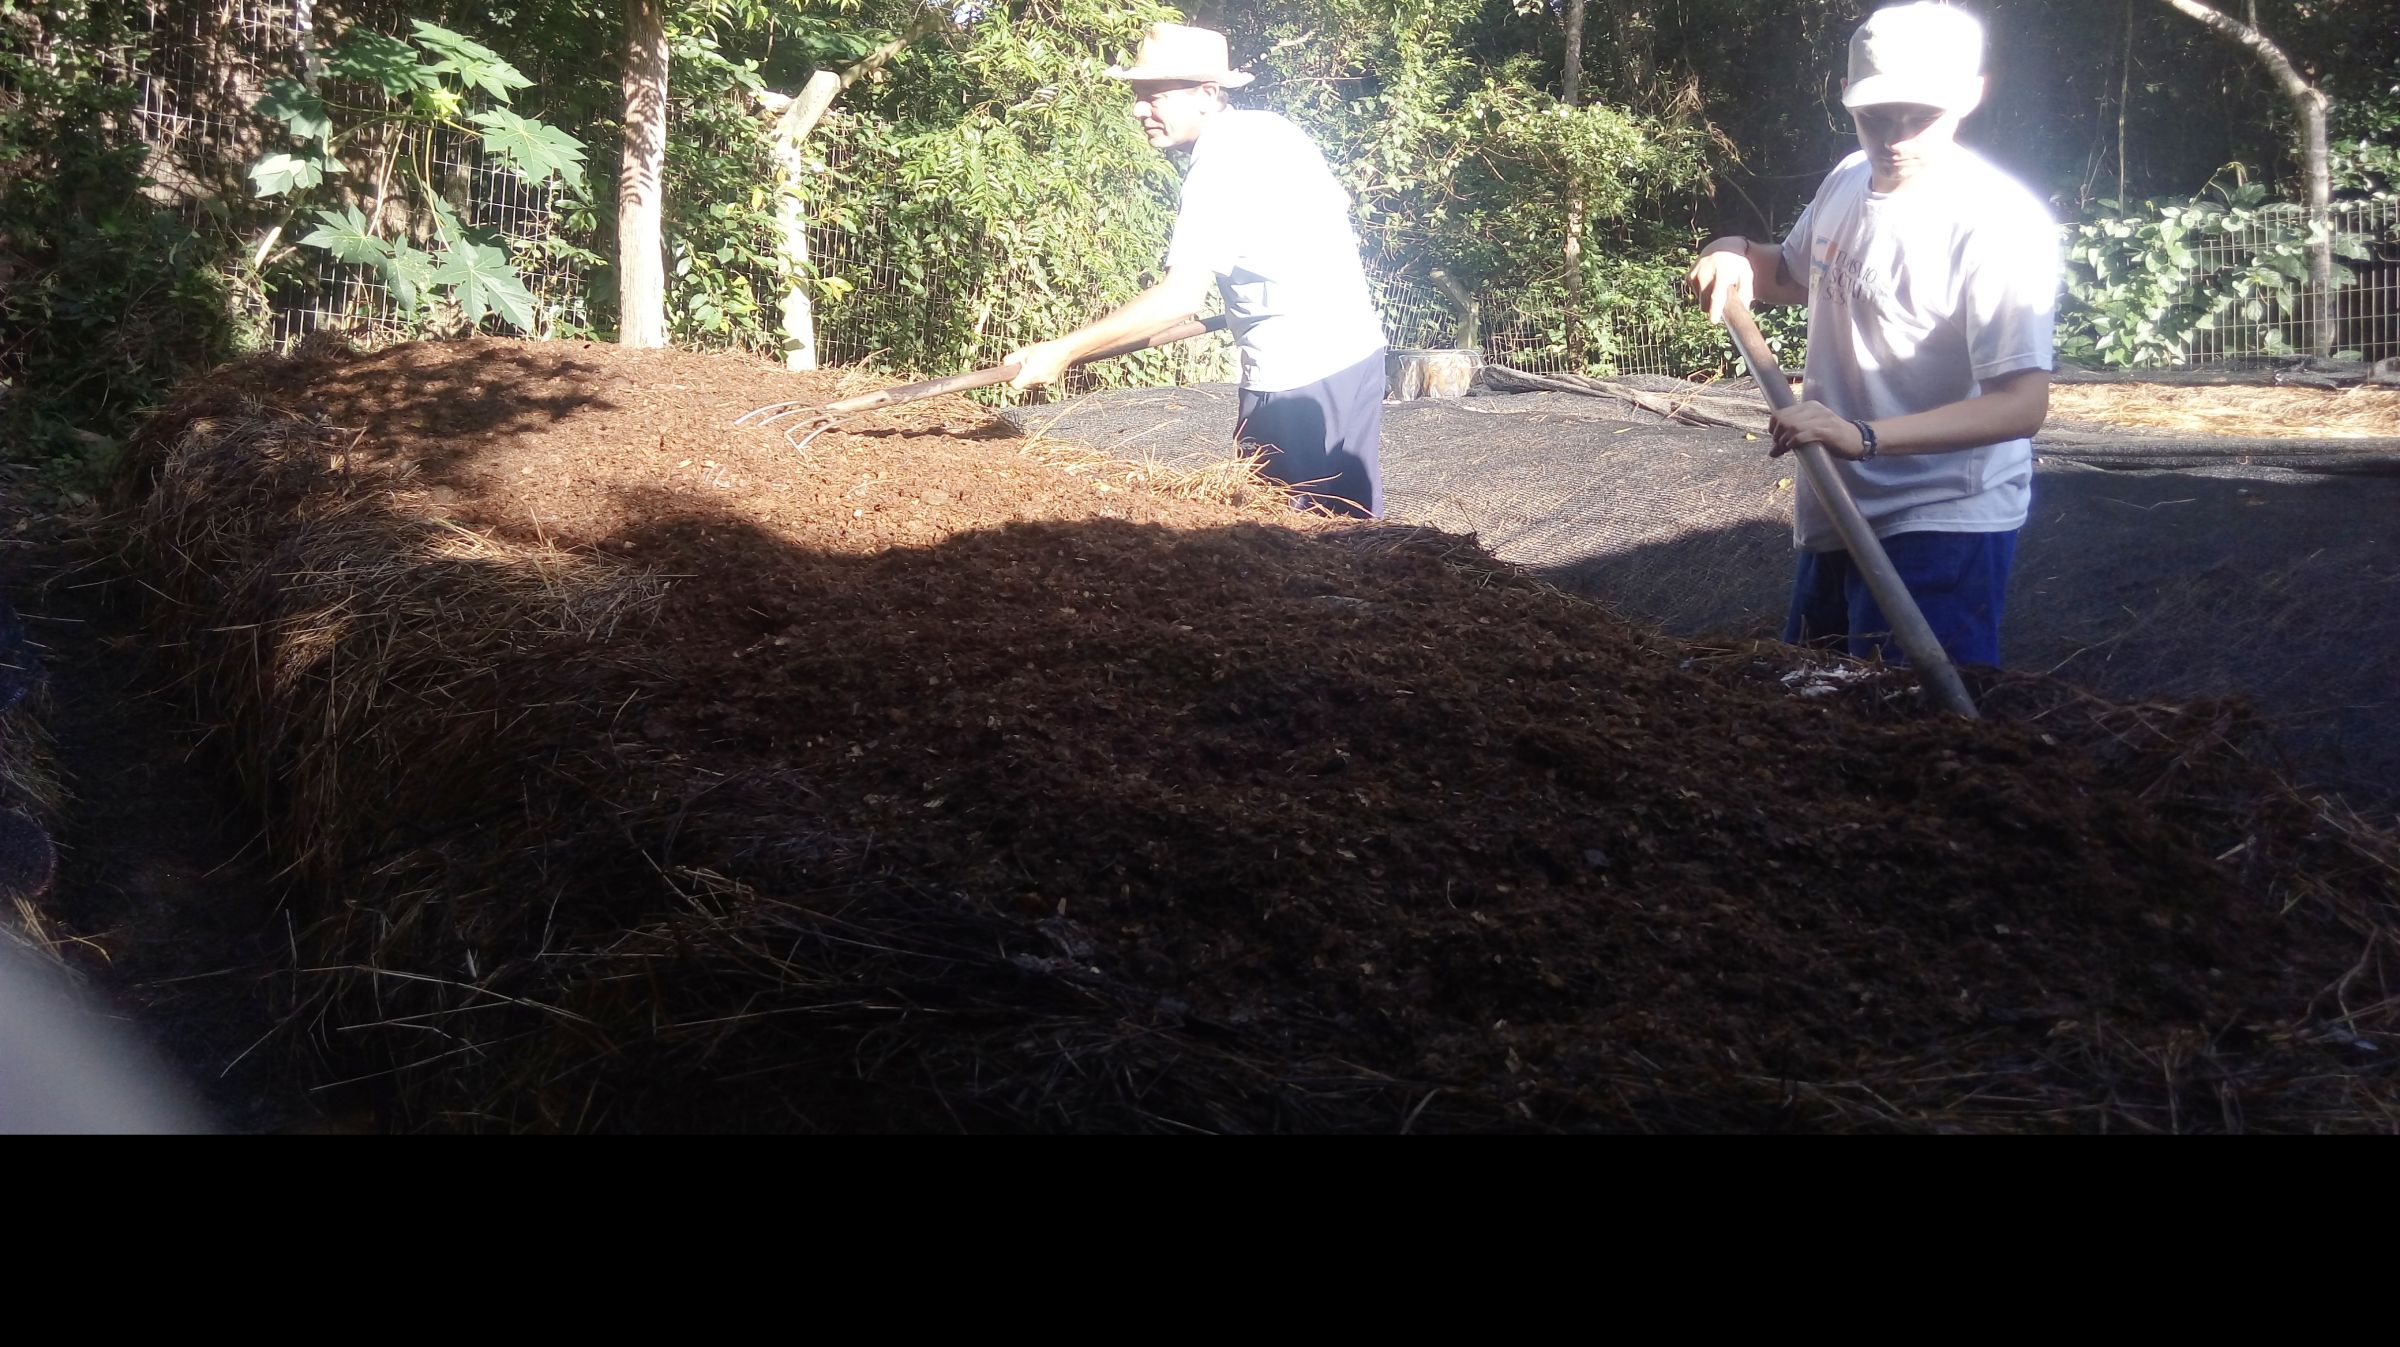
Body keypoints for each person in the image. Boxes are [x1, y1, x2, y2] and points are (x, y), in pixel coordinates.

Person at [1684, 2, 2061, 667]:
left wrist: (1861, 437)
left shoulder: (1997, 225)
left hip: (1940, 517)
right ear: (1846, 96)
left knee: (1908, 716)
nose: (1895, 138)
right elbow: (1788, 274)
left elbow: (2021, 405)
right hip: (1839, 500)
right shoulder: (1847, 179)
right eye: (1876, 117)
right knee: (1816, 696)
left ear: (1971, 94)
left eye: (1921, 117)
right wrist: (1731, 251)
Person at [1005, 23, 1390, 519]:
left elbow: (1179, 299)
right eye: (1137, 95)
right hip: (1356, 356)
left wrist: (1062, 349)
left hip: (1295, 377)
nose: (1138, 110)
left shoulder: (1220, 163)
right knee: (1352, 531)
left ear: (1207, 94)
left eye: (1153, 96)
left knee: (1280, 538)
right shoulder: (1271, 130)